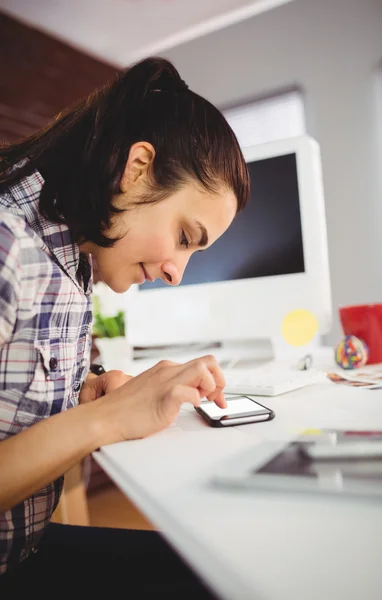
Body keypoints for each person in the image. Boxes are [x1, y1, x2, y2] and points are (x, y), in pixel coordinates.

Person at [0, 56, 250, 597]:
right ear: (136, 168)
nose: (175, 274)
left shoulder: (73, 259)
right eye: (186, 237)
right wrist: (107, 420)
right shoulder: (7, 244)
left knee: (234, 567)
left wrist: (88, 394)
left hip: (31, 548)